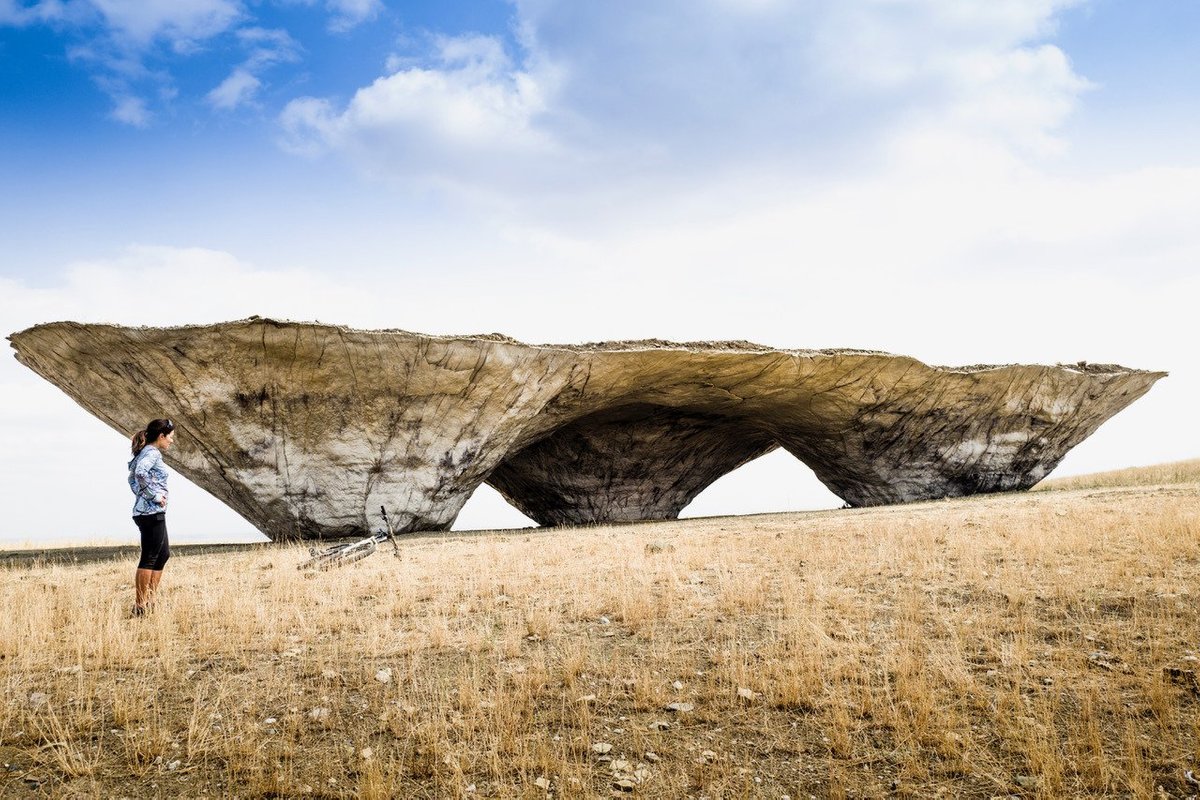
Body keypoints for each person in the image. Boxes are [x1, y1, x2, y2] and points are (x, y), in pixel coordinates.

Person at [128, 418, 175, 616]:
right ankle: (140, 605)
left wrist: (141, 495)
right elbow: (138, 474)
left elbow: (131, 478)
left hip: (148, 512)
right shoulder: (152, 453)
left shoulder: (145, 452)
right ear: (161, 436)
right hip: (150, 512)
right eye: (170, 437)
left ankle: (150, 601)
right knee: (149, 557)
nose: (172, 441)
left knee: (162, 554)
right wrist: (153, 496)